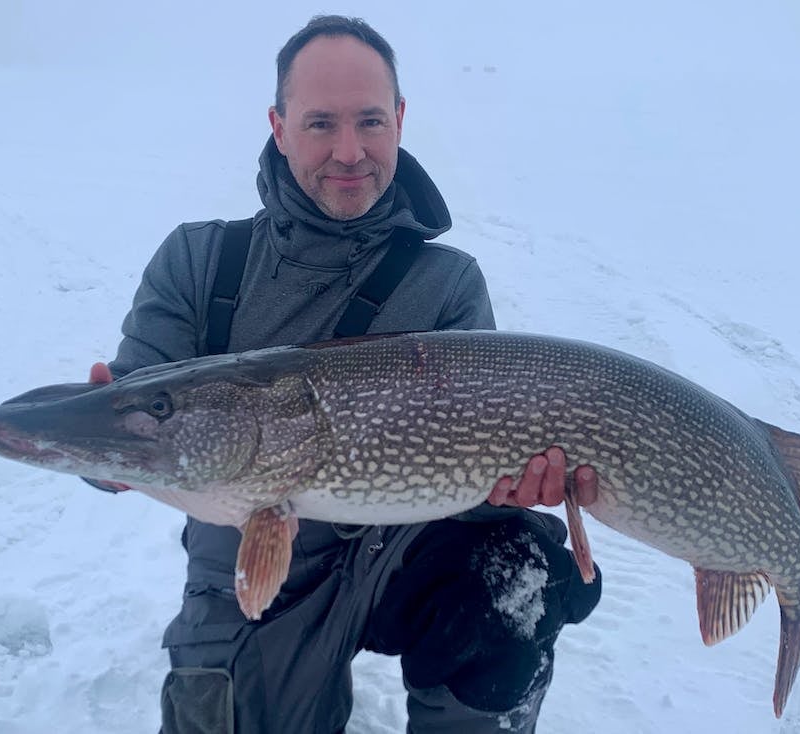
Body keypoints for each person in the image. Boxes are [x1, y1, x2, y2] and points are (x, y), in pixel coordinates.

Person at [89, 15, 601, 734]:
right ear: (278, 124)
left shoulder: (446, 285)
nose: (349, 151)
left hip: (395, 546)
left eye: (368, 121)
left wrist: (519, 491)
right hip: (247, 557)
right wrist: (98, 453)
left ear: (397, 119)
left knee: (514, 577)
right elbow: (140, 408)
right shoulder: (200, 263)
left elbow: (468, 468)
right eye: (320, 123)